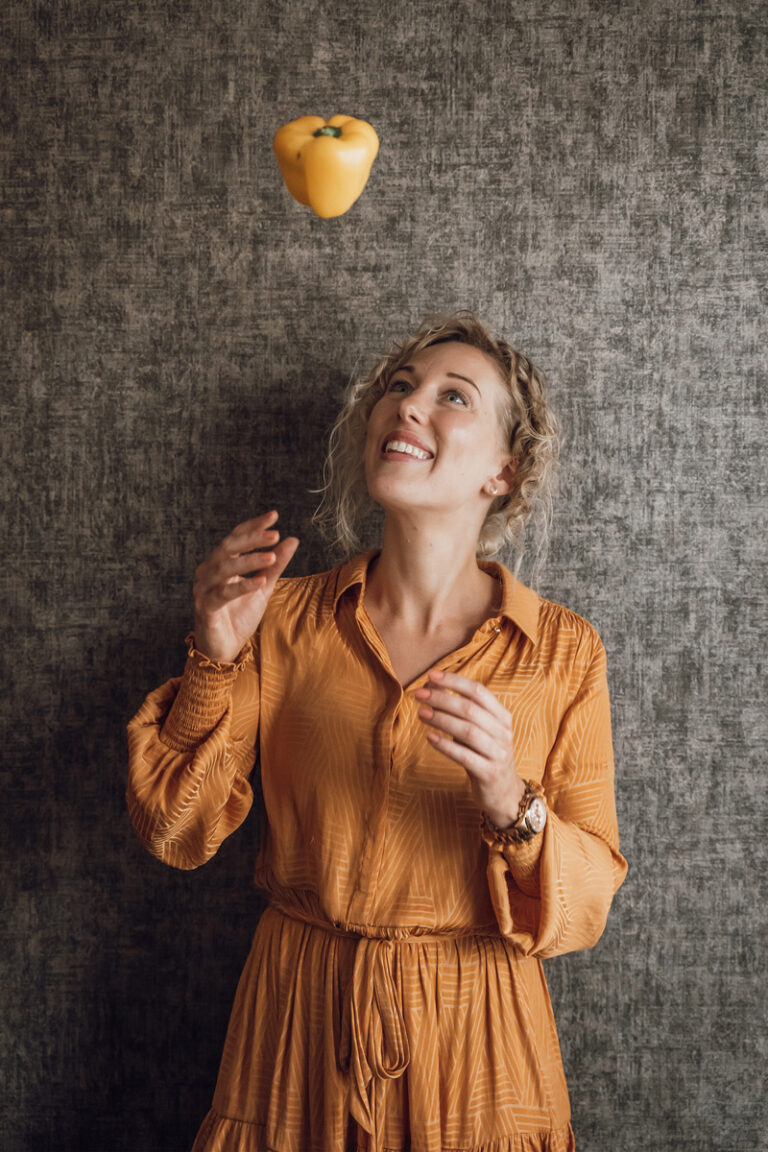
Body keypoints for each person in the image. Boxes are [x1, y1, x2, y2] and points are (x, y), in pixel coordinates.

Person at [126, 309, 628, 1152]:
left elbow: (584, 912)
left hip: (481, 1040)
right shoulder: (280, 619)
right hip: (295, 1023)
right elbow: (174, 830)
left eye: (451, 396)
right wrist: (215, 657)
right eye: (399, 388)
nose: (408, 406)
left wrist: (509, 797)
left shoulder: (564, 651)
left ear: (503, 471)